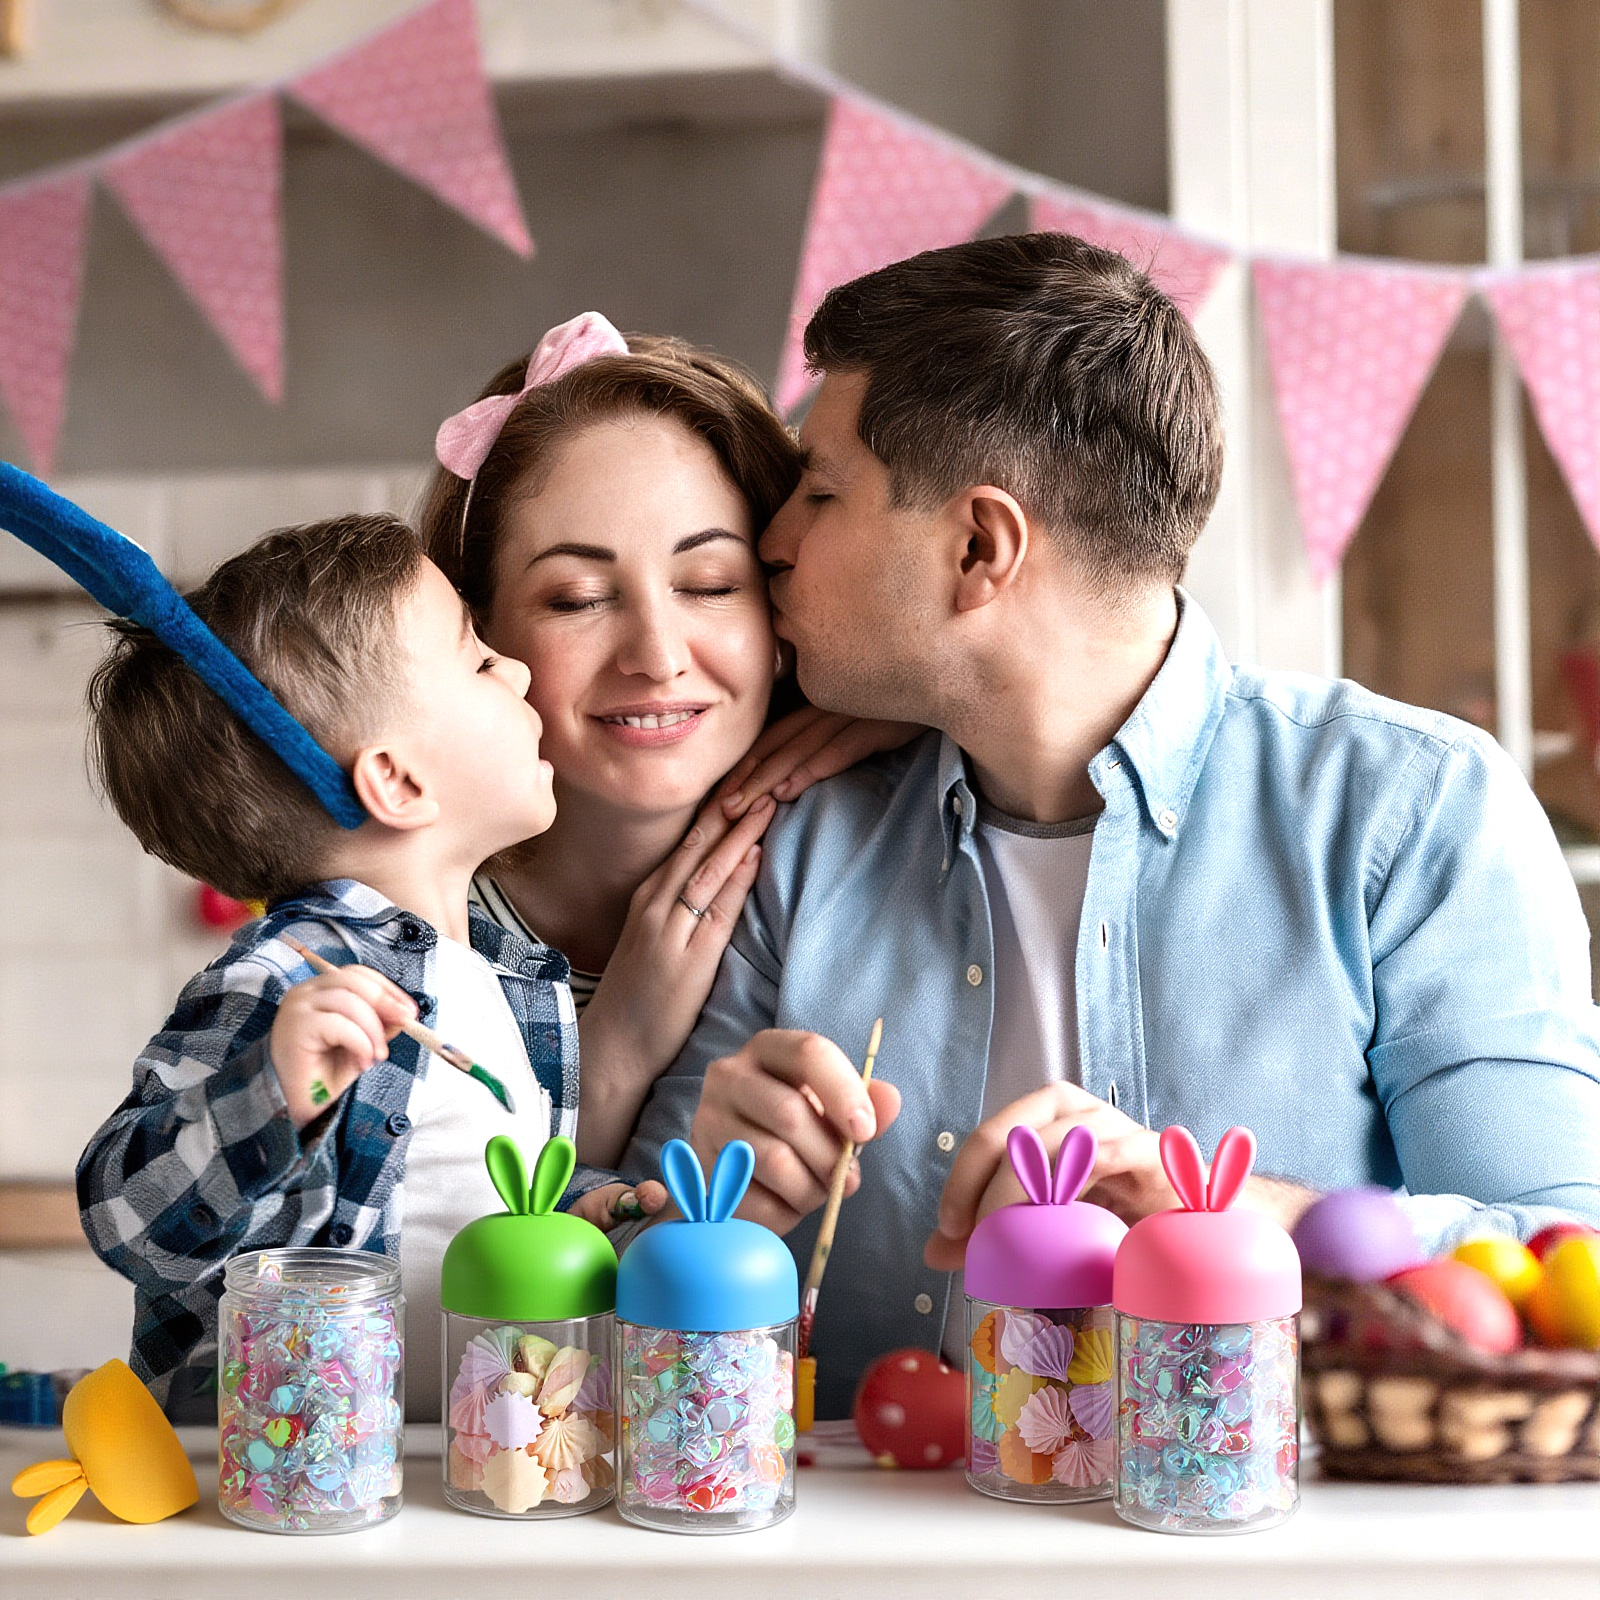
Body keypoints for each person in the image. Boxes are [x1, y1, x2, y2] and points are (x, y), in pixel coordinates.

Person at [617, 232, 1600, 1418]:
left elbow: (1565, 1259)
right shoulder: (798, 837)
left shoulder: (1409, 810)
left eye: (820, 493)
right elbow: (620, 1286)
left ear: (978, 548)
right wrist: (708, 1206)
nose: (771, 542)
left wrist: (1234, 1222)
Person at [75, 513, 628, 1421]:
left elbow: (465, 1187)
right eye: (479, 661)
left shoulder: (507, 980)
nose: (520, 671)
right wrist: (268, 1096)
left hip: (444, 1458)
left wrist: (588, 1206)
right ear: (398, 782)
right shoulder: (291, 979)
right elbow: (123, 1218)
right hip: (280, 1464)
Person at [417, 316, 908, 1189]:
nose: (657, 655)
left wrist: (906, 708)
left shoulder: (877, 848)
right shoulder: (406, 934)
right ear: (475, 632)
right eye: (576, 599)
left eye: (711, 585)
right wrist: (616, 1050)